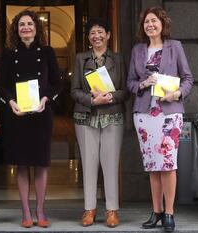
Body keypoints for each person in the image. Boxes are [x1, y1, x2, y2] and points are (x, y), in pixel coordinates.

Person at [127, 6, 193, 232]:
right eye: (146, 22)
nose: (150, 25)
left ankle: (169, 213)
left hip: (169, 113)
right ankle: (155, 212)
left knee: (168, 164)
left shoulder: (175, 47)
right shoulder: (137, 50)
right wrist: (143, 84)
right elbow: (130, 83)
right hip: (144, 114)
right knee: (152, 166)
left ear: (162, 24)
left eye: (154, 21)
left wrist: (177, 93)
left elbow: (188, 78)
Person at [0, 10, 62, 228]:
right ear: (16, 29)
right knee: (22, 165)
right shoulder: (7, 54)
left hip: (41, 114)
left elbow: (57, 83)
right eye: (21, 24)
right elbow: (0, 85)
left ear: (36, 28)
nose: (25, 28)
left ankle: (40, 211)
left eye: (29, 24)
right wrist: (10, 102)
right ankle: (25, 212)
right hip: (17, 115)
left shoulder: (48, 52)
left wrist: (46, 99)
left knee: (41, 164)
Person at [71, 17, 128, 228]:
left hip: (113, 115)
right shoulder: (80, 59)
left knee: (111, 164)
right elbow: (74, 90)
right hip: (86, 117)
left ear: (108, 35)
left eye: (100, 32)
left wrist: (110, 97)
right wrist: (93, 100)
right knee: (88, 163)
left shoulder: (118, 59)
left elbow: (125, 90)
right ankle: (89, 209)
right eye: (92, 33)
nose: (97, 36)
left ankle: (112, 210)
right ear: (88, 37)